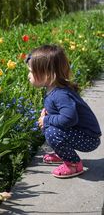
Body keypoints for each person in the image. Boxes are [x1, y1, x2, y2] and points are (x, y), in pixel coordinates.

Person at [26, 44, 101, 178]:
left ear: (47, 74)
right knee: (48, 126)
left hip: (88, 138)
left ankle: (73, 164)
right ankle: (63, 153)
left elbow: (70, 119)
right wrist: (48, 113)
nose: (28, 75)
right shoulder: (54, 89)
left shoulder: (60, 94)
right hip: (79, 133)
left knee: (51, 130)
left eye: (31, 71)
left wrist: (47, 119)